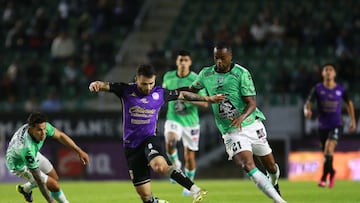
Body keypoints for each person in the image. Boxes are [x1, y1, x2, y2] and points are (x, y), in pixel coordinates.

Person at [88, 64, 224, 203]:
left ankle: (195, 190)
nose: (148, 88)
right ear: (136, 79)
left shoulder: (160, 93)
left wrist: (208, 99)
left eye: (151, 83)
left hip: (149, 139)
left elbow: (182, 94)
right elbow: (105, 85)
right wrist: (96, 84)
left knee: (159, 166)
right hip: (131, 147)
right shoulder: (126, 90)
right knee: (146, 198)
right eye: (144, 84)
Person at [188, 42, 287, 203]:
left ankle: (274, 183)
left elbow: (252, 102)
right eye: (216, 58)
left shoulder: (241, 73)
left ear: (230, 56)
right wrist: (173, 93)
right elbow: (191, 89)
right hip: (231, 131)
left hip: (252, 125)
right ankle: (280, 201)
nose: (219, 61)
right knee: (247, 165)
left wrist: (241, 117)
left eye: (223, 58)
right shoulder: (205, 74)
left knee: (272, 167)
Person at [5, 111, 90, 203]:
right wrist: (50, 201)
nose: (43, 133)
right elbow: (39, 180)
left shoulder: (41, 127)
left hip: (33, 154)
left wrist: (79, 151)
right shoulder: (26, 149)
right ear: (31, 128)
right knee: (54, 185)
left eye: (44, 129)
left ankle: (25, 189)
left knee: (54, 179)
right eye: (39, 130)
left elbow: (60, 136)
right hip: (18, 165)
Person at [162, 50, 208, 196]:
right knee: (170, 142)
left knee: (190, 157)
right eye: (180, 60)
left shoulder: (196, 79)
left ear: (190, 62)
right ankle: (176, 165)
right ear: (176, 62)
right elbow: (162, 95)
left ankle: (188, 184)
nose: (182, 62)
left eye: (185, 60)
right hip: (173, 118)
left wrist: (187, 98)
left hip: (191, 122)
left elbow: (205, 104)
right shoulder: (168, 77)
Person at [304, 64, 356, 188]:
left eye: (330, 70)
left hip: (337, 124)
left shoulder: (340, 89)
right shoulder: (318, 88)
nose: (328, 72)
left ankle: (323, 178)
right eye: (326, 70)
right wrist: (307, 110)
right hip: (322, 126)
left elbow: (349, 103)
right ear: (322, 73)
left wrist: (353, 121)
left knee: (329, 148)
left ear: (334, 74)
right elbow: (308, 102)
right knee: (327, 154)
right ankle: (332, 172)